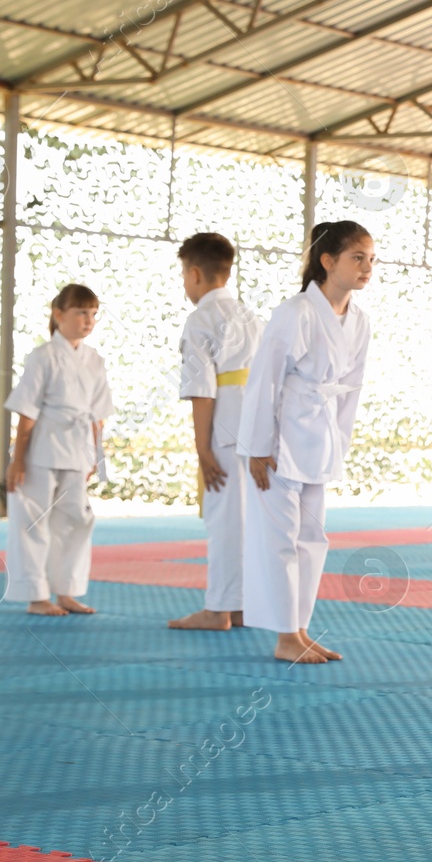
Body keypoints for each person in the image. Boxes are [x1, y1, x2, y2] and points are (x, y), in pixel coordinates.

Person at [237, 221, 373, 665]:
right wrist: (258, 446)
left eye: (371, 259)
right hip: (279, 439)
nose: (367, 267)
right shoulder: (295, 312)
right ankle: (284, 635)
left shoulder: (358, 320)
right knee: (279, 539)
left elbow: (351, 389)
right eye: (357, 257)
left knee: (313, 537)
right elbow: (264, 382)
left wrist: (341, 444)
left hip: (321, 438)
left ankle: (301, 627)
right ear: (327, 261)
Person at [169, 233, 263, 632]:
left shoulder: (201, 319)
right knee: (249, 519)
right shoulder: (252, 317)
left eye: (183, 276)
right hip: (258, 424)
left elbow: (201, 391)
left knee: (224, 519)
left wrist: (201, 449)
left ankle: (218, 609)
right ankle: (242, 605)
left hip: (224, 424)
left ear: (194, 274)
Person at [4, 283, 114, 616]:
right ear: (58, 314)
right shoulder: (42, 357)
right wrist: (17, 459)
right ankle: (37, 596)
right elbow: (27, 413)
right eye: (81, 312)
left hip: (78, 448)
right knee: (33, 520)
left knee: (77, 519)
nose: (88, 320)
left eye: (93, 313)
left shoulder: (95, 360)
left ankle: (68, 590)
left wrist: (96, 452)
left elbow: (98, 414)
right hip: (43, 447)